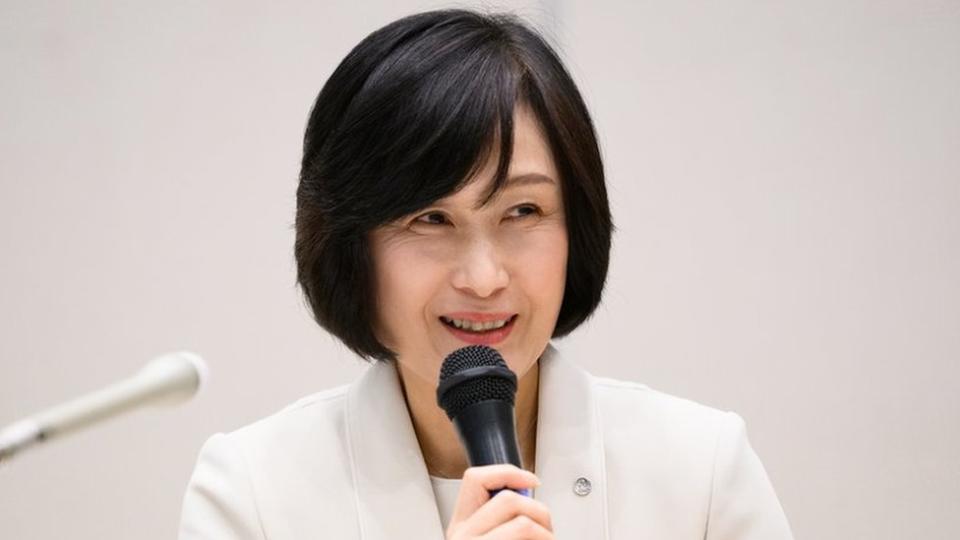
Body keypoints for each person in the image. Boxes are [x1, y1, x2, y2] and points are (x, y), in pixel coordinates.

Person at [179, 9, 794, 539]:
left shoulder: (701, 471)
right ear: (351, 245)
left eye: (522, 211)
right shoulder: (252, 493)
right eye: (430, 218)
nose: (483, 276)